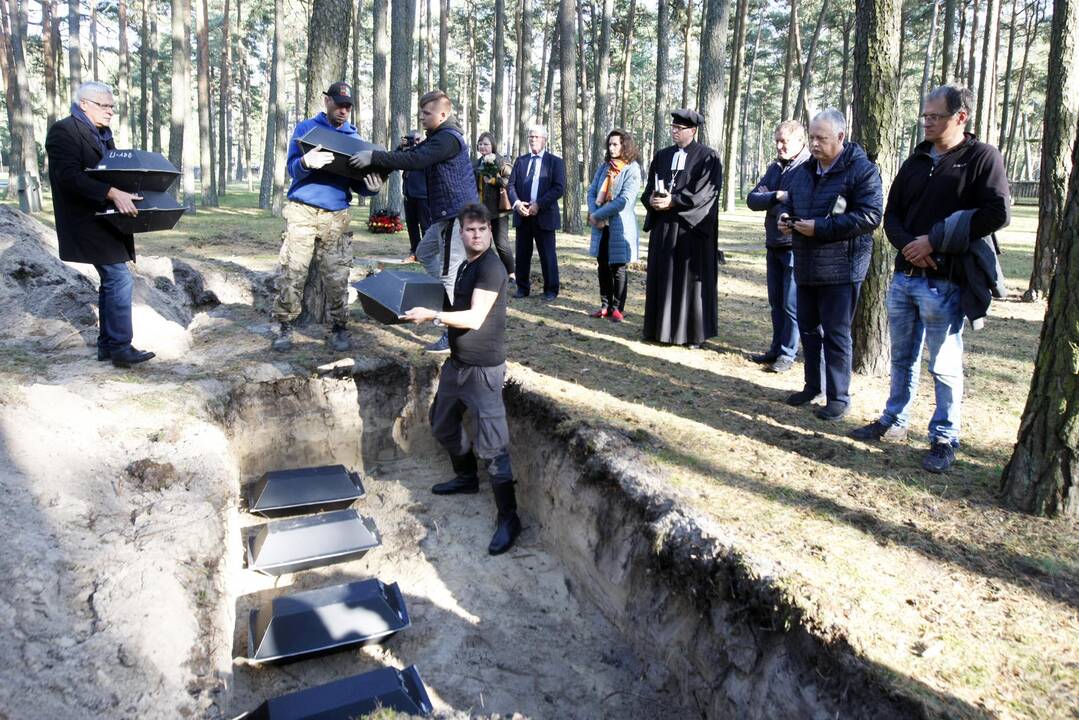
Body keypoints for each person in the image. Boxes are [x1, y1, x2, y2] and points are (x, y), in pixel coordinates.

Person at [851, 85, 1010, 473]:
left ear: (961, 117)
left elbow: (997, 213)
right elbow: (892, 214)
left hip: (946, 281)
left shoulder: (982, 158)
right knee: (902, 357)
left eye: (935, 116)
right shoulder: (917, 160)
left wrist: (934, 243)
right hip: (905, 278)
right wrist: (910, 246)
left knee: (943, 363)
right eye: (925, 115)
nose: (927, 121)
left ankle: (944, 436)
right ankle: (894, 419)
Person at [402, 203, 521, 556]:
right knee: (442, 424)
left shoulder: (491, 267)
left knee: (494, 446)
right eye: (470, 230)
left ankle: (509, 518)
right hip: (458, 364)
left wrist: (434, 316)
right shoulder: (466, 265)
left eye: (483, 230)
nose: (477, 235)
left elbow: (475, 316)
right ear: (461, 232)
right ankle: (467, 478)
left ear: (489, 231)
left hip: (484, 370)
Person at [349, 90, 478, 353]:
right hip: (445, 215)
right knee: (424, 252)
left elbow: (415, 160)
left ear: (443, 115)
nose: (421, 117)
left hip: (459, 215)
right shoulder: (437, 138)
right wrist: (381, 168)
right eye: (420, 112)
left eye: (426, 113)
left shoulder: (448, 140)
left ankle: (455, 333)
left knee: (452, 273)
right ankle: (452, 291)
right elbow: (408, 156)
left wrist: (374, 156)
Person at [778, 108, 883, 421]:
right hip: (807, 263)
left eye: (821, 138)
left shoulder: (861, 171)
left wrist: (819, 228)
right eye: (811, 137)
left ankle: (838, 396)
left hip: (842, 268)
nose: (814, 144)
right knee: (808, 329)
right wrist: (788, 220)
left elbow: (869, 217)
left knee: (836, 335)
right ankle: (813, 386)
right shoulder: (804, 172)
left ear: (840, 136)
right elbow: (794, 205)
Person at [45, 81, 154, 368]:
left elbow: (109, 170)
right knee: (119, 278)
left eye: (111, 106)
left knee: (111, 280)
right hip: (83, 220)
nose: (110, 111)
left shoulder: (103, 133)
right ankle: (120, 347)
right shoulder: (63, 131)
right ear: (84, 104)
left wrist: (128, 189)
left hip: (107, 220)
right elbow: (68, 177)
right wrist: (111, 193)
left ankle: (107, 346)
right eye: (104, 106)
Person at [270, 81, 383, 353]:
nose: (344, 111)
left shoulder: (354, 140)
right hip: (303, 211)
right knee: (292, 270)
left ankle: (339, 327)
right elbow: (292, 168)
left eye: (348, 106)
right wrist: (306, 163)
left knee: (337, 275)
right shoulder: (306, 129)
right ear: (327, 101)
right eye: (339, 104)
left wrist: (371, 187)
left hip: (336, 215)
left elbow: (357, 184)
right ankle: (283, 325)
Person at [640, 108, 721, 348]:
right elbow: (649, 189)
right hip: (664, 228)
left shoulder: (708, 157)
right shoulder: (663, 155)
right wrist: (654, 200)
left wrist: (674, 200)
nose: (674, 132)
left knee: (688, 285)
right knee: (663, 278)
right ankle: (658, 329)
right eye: (673, 127)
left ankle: (692, 334)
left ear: (693, 131)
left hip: (690, 230)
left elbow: (706, 194)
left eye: (680, 128)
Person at [746, 120, 811, 373]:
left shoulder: (807, 167)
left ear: (799, 141)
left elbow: (797, 202)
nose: (779, 146)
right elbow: (753, 199)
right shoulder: (776, 167)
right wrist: (776, 195)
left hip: (794, 246)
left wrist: (774, 198)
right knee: (775, 301)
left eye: (784, 141)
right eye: (777, 141)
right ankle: (776, 347)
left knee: (791, 303)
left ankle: (787, 353)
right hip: (773, 243)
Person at [585, 128, 642, 322]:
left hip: (620, 225)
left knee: (618, 267)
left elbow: (624, 200)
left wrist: (598, 214)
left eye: (615, 144)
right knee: (602, 264)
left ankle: (618, 308)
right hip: (601, 226)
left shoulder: (632, 169)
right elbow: (592, 192)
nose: (611, 148)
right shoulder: (604, 167)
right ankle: (605, 305)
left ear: (624, 145)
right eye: (609, 144)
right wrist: (595, 214)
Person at [507, 125, 566, 300]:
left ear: (544, 140)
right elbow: (510, 185)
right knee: (522, 253)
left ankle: (550, 290)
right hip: (523, 215)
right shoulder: (521, 161)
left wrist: (538, 205)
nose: (533, 139)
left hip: (544, 215)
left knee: (547, 254)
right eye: (530, 137)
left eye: (536, 137)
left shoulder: (555, 162)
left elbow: (558, 188)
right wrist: (517, 204)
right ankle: (522, 288)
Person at [473, 132, 515, 281]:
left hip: (498, 211)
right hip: (480, 210)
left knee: (501, 244)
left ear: (493, 145)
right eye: (480, 144)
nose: (483, 146)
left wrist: (493, 180)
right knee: (483, 243)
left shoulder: (501, 162)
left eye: (486, 144)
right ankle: (487, 273)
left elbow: (510, 182)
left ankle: (511, 274)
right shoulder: (476, 163)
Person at [401, 129, 429, 262]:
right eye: (413, 139)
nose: (415, 142)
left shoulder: (425, 152)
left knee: (425, 226)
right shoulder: (407, 152)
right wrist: (402, 147)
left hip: (423, 194)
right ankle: (415, 252)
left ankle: (427, 253)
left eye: (418, 139)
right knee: (411, 225)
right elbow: (397, 158)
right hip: (408, 193)